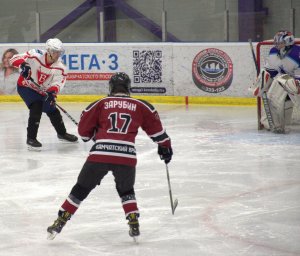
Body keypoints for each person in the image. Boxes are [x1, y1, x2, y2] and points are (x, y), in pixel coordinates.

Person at [47, 72, 173, 241]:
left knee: (81, 189)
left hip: (100, 155)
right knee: (126, 191)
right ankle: (133, 220)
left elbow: (84, 133)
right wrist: (165, 147)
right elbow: (158, 132)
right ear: (129, 87)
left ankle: (60, 221)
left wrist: (92, 135)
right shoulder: (141, 105)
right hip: (126, 157)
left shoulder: (99, 104)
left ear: (110, 87)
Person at [9, 38, 78, 150]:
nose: (58, 54)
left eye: (59, 52)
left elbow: (58, 83)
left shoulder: (61, 68)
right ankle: (31, 138)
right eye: (55, 52)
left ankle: (62, 133)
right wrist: (23, 65)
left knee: (53, 111)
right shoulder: (35, 54)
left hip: (42, 91)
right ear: (49, 51)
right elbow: (13, 59)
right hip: (25, 86)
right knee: (36, 106)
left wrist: (52, 92)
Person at [252, 30, 300, 133]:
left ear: (289, 42)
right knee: (273, 93)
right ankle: (273, 124)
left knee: (283, 82)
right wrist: (262, 83)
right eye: (276, 42)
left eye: (281, 43)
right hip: (288, 81)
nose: (277, 45)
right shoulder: (274, 52)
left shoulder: (297, 53)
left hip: (296, 81)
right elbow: (270, 71)